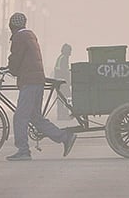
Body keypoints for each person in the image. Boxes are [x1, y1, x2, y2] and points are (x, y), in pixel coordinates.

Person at [5, 12, 77, 161]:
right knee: (35, 117)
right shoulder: (31, 35)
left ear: (12, 26)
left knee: (20, 117)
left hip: (29, 81)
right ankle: (64, 137)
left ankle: (23, 150)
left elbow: (16, 58)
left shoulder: (19, 37)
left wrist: (10, 69)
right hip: (37, 80)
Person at [53, 43, 72, 120]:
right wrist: (69, 81)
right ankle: (63, 116)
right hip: (62, 82)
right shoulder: (64, 58)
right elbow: (64, 71)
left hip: (60, 82)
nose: (71, 53)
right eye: (70, 51)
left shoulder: (62, 57)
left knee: (62, 99)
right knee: (65, 99)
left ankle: (62, 115)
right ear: (66, 51)